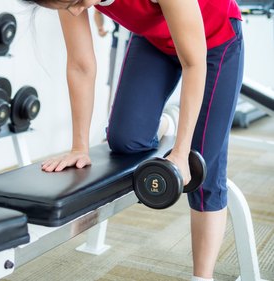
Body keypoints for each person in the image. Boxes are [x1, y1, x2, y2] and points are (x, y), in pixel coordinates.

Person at [22, 0, 244, 280]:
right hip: (154, 39)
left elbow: (193, 62)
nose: (76, 10)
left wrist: (181, 150)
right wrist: (79, 147)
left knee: (202, 167)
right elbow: (80, 65)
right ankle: (163, 123)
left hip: (214, 40)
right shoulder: (67, 0)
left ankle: (202, 276)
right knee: (125, 142)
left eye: (77, 2)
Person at [93, 10, 120, 113]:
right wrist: (100, 27)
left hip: (139, 42)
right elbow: (98, 11)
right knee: (114, 84)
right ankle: (110, 119)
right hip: (117, 43)